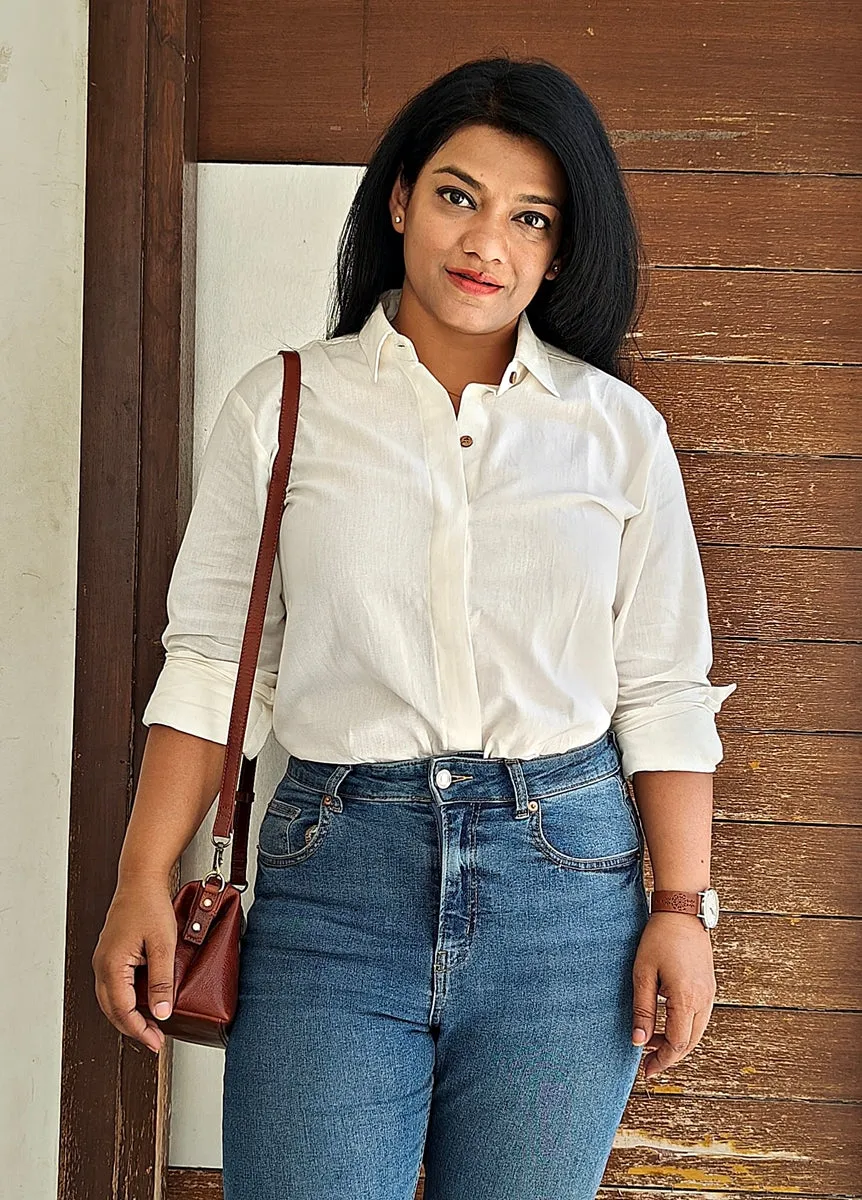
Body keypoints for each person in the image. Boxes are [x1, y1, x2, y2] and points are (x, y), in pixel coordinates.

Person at [92, 54, 737, 1200]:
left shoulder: (615, 433)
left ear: (558, 248)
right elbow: (211, 668)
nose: (487, 243)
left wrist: (681, 911)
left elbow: (661, 690)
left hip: (566, 895)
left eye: (529, 218)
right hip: (337, 881)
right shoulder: (285, 404)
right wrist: (145, 874)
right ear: (397, 199)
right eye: (457, 196)